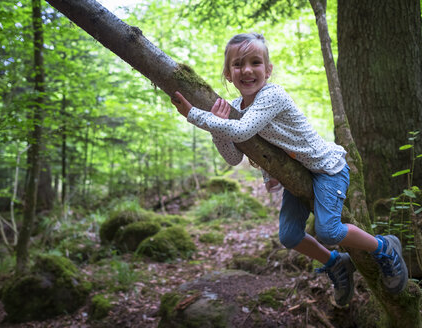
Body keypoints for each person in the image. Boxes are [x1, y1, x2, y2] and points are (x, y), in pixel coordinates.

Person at [171, 32, 408, 306]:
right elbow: (233, 158)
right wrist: (217, 128)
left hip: (326, 169)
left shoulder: (273, 95)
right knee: (289, 236)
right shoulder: (235, 108)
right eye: (238, 64)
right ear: (227, 73)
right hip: (296, 174)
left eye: (255, 62)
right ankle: (336, 263)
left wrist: (196, 115)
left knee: (329, 231)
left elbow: (243, 129)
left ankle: (385, 247)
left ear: (268, 70)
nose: (247, 70)